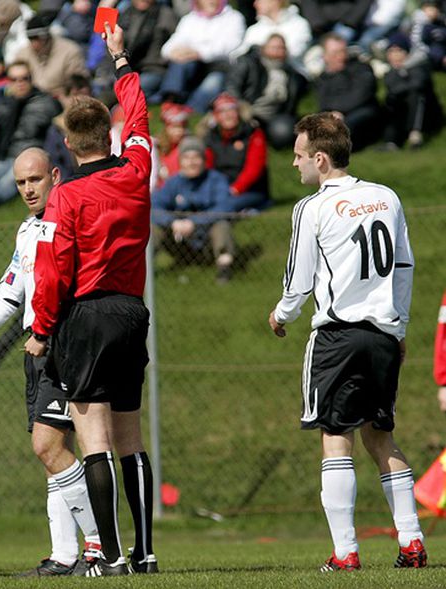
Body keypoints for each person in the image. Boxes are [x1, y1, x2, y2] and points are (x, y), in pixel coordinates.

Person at [268, 112, 426, 572]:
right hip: (382, 333)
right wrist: (398, 329)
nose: (295, 166)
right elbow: (404, 268)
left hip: (337, 335)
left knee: (336, 438)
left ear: (320, 158)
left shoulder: (312, 207)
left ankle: (345, 552)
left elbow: (298, 280)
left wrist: (281, 315)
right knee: (381, 436)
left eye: (299, 157)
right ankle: (412, 543)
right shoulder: (385, 196)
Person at [25, 24, 157, 577]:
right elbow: (142, 115)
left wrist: (40, 328)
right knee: (131, 436)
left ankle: (109, 552)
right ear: (110, 134)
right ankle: (146, 553)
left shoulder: (66, 197)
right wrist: (121, 58)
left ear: (67, 144)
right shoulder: (137, 171)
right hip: (131, 312)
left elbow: (53, 270)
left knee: (94, 436)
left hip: (85, 314)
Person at [0, 148, 102, 576]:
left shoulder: (70, 221)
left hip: (63, 348)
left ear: (54, 175)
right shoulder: (27, 230)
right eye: (20, 183)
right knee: (54, 454)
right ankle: (65, 555)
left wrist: (49, 333)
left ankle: (100, 545)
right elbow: (11, 291)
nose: (28, 189)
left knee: (48, 446)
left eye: (34, 180)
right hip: (37, 352)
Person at [0, 62, 60, 206]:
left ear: (31, 80)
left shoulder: (44, 103)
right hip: (6, 155)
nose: (19, 83)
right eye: (14, 79)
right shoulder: (5, 104)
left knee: (5, 185)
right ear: (8, 82)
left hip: (30, 157)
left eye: (24, 79)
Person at [151, 135, 235, 281]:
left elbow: (224, 207)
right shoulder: (173, 182)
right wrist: (172, 222)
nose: (191, 163)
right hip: (179, 241)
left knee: (221, 226)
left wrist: (194, 222)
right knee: (153, 228)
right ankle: (144, 269)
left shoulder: (216, 180)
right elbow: (154, 207)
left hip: (206, 240)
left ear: (204, 160)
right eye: (186, 158)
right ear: (180, 161)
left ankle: (224, 270)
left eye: (196, 157)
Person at [226, 34, 307, 149]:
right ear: (263, 48)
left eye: (281, 48)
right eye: (273, 47)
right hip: (249, 112)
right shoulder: (248, 64)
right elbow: (232, 88)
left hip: (275, 117)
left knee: (284, 131)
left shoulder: (292, 75)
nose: (277, 51)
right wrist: (243, 111)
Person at [314, 33, 381, 151]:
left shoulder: (361, 68)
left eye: (343, 51)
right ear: (325, 56)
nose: (341, 57)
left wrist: (340, 112)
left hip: (361, 112)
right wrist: (332, 114)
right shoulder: (323, 78)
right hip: (335, 114)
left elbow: (362, 95)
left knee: (344, 127)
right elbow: (323, 102)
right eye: (335, 53)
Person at [382, 32, 443, 150]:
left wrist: (402, 80)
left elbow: (418, 84)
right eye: (391, 51)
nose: (394, 55)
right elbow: (392, 89)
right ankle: (391, 142)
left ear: (407, 52)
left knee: (415, 94)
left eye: (398, 50)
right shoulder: (391, 72)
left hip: (427, 115)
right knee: (391, 100)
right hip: (403, 112)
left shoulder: (420, 66)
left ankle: (415, 136)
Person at [15, 13, 89, 97]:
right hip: (30, 101)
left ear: (45, 36)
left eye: (36, 38)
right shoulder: (22, 54)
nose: (33, 43)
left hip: (61, 101)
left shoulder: (69, 51)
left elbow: (79, 86)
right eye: (30, 38)